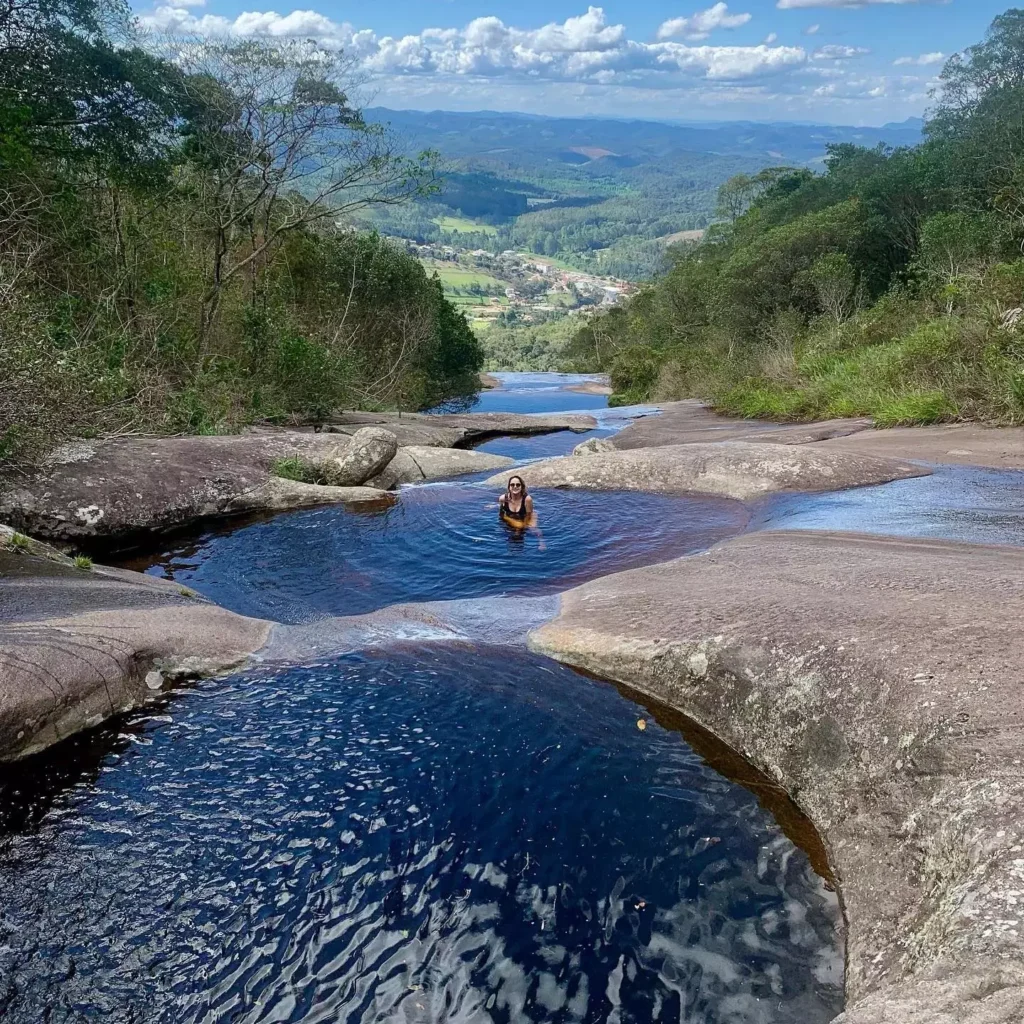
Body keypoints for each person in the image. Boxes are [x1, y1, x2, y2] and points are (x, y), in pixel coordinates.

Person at [497, 475, 546, 550]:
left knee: (533, 528)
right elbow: (501, 514)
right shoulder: (503, 498)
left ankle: (542, 542)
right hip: (511, 516)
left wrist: (522, 527)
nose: (515, 486)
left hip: (527, 514)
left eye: (518, 485)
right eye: (512, 485)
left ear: (522, 486)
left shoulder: (527, 499)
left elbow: (528, 515)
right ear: (509, 487)